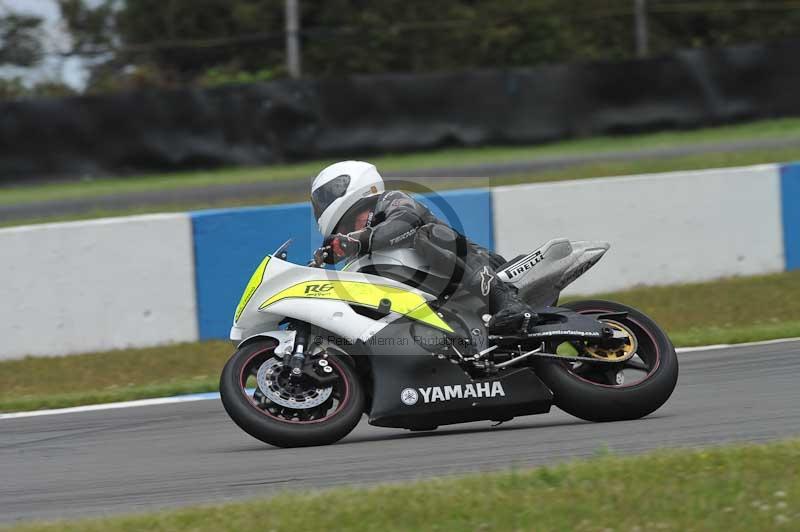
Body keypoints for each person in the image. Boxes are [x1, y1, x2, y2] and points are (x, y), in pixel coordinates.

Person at [310, 160, 538, 334]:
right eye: (347, 229)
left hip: (483, 263)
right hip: (443, 293)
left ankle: (507, 300)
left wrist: (358, 241)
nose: (351, 232)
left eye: (353, 224)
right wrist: (320, 264)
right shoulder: (365, 242)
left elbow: (405, 220)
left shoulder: (392, 199)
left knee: (426, 235)